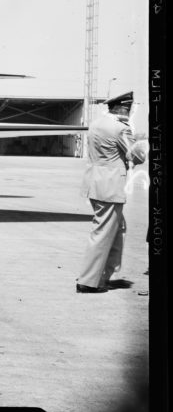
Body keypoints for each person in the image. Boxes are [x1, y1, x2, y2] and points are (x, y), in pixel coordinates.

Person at [76, 91, 146, 293]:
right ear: (124, 108)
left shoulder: (97, 123)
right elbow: (137, 156)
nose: (131, 111)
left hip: (94, 182)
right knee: (102, 232)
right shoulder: (120, 128)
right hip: (110, 186)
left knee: (117, 228)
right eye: (130, 108)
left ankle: (109, 275)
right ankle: (88, 281)